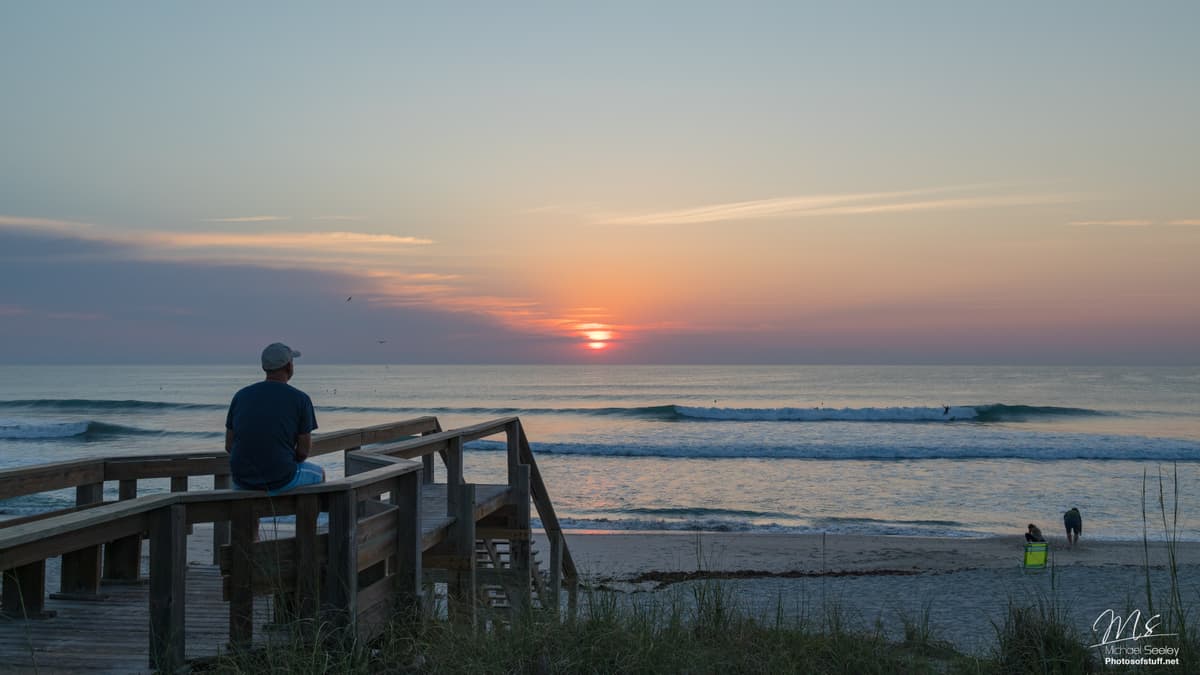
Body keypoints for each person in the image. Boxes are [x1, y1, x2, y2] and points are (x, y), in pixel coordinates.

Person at [225, 342, 325, 494]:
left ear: (265, 368)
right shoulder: (300, 399)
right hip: (281, 478)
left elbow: (229, 445)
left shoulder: (241, 395)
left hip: (241, 479)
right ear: (288, 366)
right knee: (320, 474)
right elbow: (303, 452)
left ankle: (258, 518)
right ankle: (309, 518)